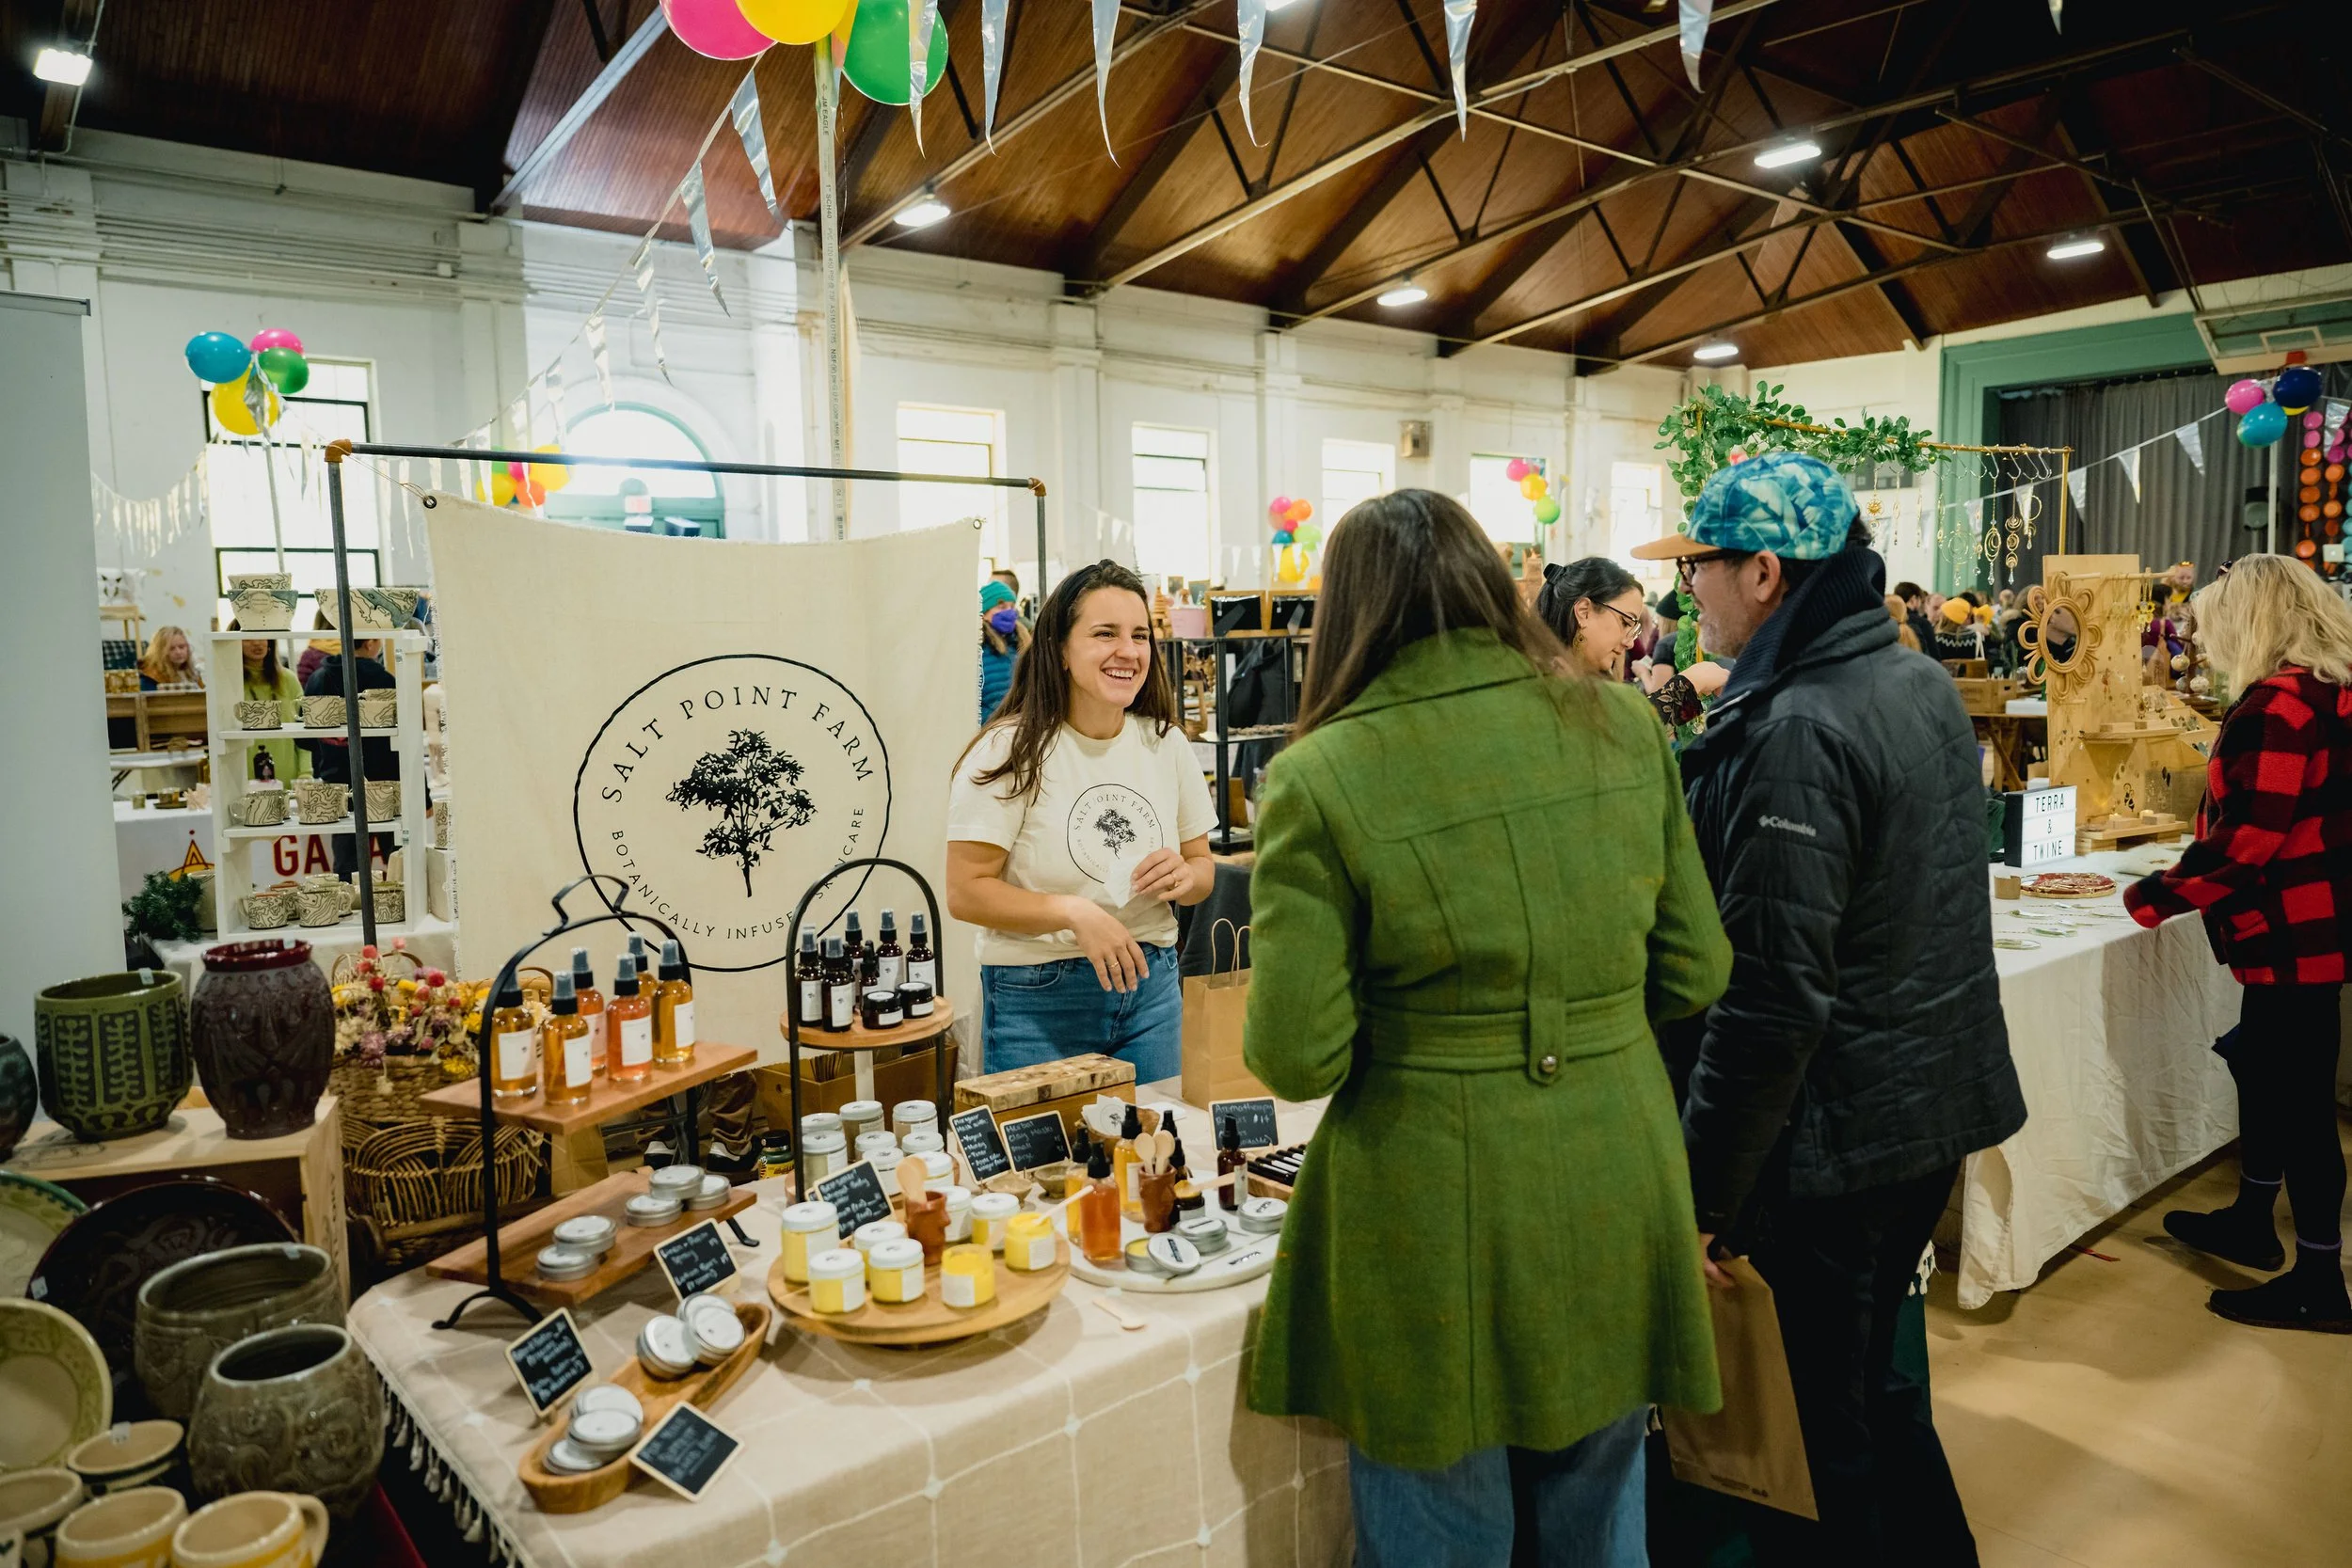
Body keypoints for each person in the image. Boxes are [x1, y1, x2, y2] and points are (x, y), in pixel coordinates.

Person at [1244, 490, 1730, 1568]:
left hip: (1425, 1185)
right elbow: (1698, 964)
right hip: (1615, 1154)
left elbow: (1294, 1051)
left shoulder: (1321, 773)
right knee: (1600, 1513)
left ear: (1348, 612)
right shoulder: (1620, 721)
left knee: (1438, 1514)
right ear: (1493, 586)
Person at [1632, 453, 2026, 1565]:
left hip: (1843, 1137)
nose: (1682, 595)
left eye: (1697, 567)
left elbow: (1769, 993)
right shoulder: (1904, 679)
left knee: (1827, 1432)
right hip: (1916, 1110)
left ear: (1763, 572)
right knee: (1882, 1391)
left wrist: (1704, 1193)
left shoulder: (1800, 724)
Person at [2125, 555, 2352, 1333]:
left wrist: (2152, 897)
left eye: (2212, 626)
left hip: (2290, 930)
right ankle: (2255, 1218)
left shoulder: (2277, 705)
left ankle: (2319, 1278)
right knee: (2267, 1073)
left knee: (2299, 1104)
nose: (2203, 642)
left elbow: (2248, 839)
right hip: (2315, 923)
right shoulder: (2331, 692)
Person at [946, 560, 1215, 1083]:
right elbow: (966, 892)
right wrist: (1073, 913)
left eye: (1140, 635)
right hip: (1039, 997)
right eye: (1104, 634)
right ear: (1061, 650)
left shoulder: (1165, 743)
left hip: (1151, 987)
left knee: (1152, 1159)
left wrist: (1185, 878)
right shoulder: (1009, 749)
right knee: (1045, 1161)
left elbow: (1202, 869)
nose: (1128, 651)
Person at [1536, 556, 1726, 730]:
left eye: (1633, 629)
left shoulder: (1577, 677)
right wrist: (1686, 687)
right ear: (1584, 611)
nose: (1629, 643)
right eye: (1625, 622)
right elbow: (1612, 737)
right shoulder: (1537, 679)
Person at [302, 637, 397, 879]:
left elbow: (303, 738)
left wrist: (332, 747)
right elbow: (402, 743)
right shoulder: (385, 681)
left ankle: (350, 911)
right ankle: (400, 912)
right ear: (371, 643)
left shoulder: (318, 677)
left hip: (336, 784)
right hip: (386, 785)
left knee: (347, 864)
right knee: (399, 862)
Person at [237, 636, 308, 783]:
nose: (257, 642)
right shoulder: (231, 682)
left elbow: (304, 732)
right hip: (245, 782)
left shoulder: (288, 679)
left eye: (263, 637)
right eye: (247, 638)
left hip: (289, 779)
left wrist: (305, 772)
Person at [977, 579, 1026, 721]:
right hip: (990, 730)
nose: (1009, 612)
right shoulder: (979, 652)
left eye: (1011, 606)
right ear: (984, 613)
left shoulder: (1019, 647)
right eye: (1001, 606)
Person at [136, 626, 202, 689]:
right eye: (171, 648)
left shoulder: (193, 673)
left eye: (181, 647)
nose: (178, 652)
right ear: (160, 651)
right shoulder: (150, 678)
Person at [1893, 580, 1937, 652]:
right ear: (1913, 599)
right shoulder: (1922, 623)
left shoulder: (1890, 620)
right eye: (1921, 600)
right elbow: (1934, 653)